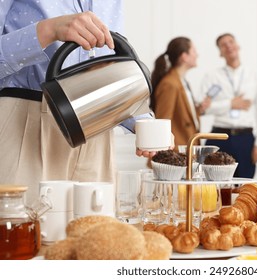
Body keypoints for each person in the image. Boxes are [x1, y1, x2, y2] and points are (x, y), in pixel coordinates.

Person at [0, 1, 154, 204]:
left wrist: (141, 119)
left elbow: (108, 62)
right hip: (26, 125)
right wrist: (48, 30)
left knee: (96, 232)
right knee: (23, 229)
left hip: (97, 130)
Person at [199, 33, 257, 178]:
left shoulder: (255, 75)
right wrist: (230, 104)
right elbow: (202, 109)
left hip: (245, 138)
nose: (228, 46)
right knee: (214, 185)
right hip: (218, 136)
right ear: (220, 52)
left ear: (237, 45)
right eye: (223, 44)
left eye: (230, 42)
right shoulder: (212, 76)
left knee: (244, 185)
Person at [151, 37, 210, 150]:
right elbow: (162, 121)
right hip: (175, 153)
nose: (197, 54)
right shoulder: (170, 84)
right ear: (184, 56)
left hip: (186, 149)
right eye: (194, 51)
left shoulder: (182, 81)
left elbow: (182, 116)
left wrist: (198, 110)